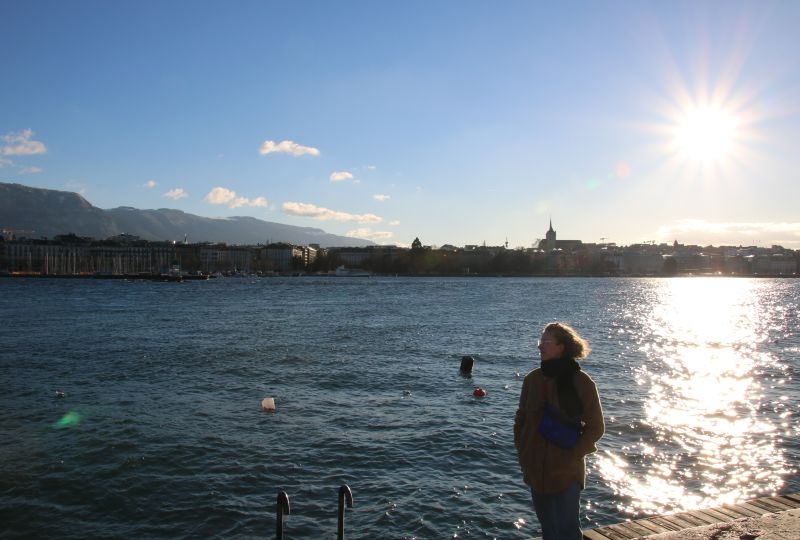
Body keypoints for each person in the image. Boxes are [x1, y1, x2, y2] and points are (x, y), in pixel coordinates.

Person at [514, 322, 605, 540]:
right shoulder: (532, 380)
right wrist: (523, 450)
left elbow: (596, 427)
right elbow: (521, 418)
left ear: (562, 347)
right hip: (536, 470)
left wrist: (572, 455)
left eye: (546, 342)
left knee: (567, 531)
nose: (540, 346)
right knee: (548, 531)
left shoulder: (581, 382)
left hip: (566, 473)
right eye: (540, 341)